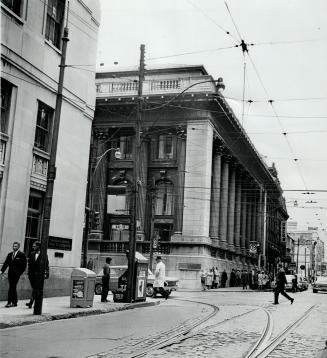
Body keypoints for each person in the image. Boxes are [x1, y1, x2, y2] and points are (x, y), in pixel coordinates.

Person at [0, 242, 27, 307]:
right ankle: (15, 302)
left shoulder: (21, 254)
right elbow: (6, 263)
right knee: (13, 287)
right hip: (10, 274)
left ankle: (9, 302)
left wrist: (19, 273)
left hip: (16, 275)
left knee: (11, 287)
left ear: (18, 247)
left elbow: (24, 265)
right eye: (13, 246)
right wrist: (1, 271)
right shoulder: (10, 254)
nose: (14, 247)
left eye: (16, 246)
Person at [26, 241, 49, 308]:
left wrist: (47, 273)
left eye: (34, 246)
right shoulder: (32, 254)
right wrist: (29, 273)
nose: (33, 247)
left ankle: (31, 302)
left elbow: (46, 264)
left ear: (38, 246)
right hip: (31, 275)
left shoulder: (44, 254)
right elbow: (29, 264)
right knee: (34, 288)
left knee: (35, 288)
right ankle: (32, 302)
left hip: (39, 275)